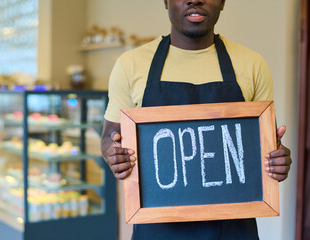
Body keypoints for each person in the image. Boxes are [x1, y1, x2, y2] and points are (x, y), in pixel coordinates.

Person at [101, 0, 292, 239]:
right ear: (166, 1)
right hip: (156, 227)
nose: (195, 0)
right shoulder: (130, 65)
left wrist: (277, 160)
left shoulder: (253, 65)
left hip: (233, 230)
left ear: (222, 2)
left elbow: (266, 146)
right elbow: (110, 137)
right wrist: (114, 153)